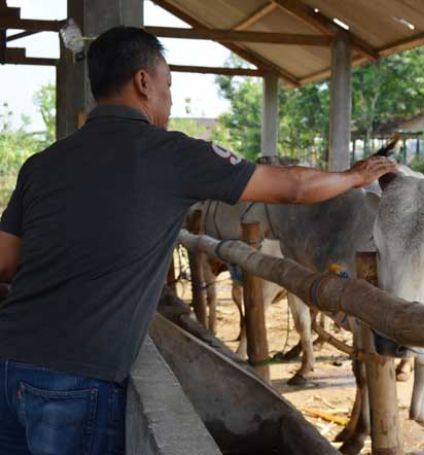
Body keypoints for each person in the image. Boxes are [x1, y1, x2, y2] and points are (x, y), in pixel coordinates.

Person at [0, 26, 396, 454]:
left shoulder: (41, 164)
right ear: (143, 82)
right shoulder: (173, 154)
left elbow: (5, 262)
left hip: (8, 364)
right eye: (168, 85)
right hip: (78, 382)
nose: (169, 98)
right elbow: (293, 188)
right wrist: (356, 176)